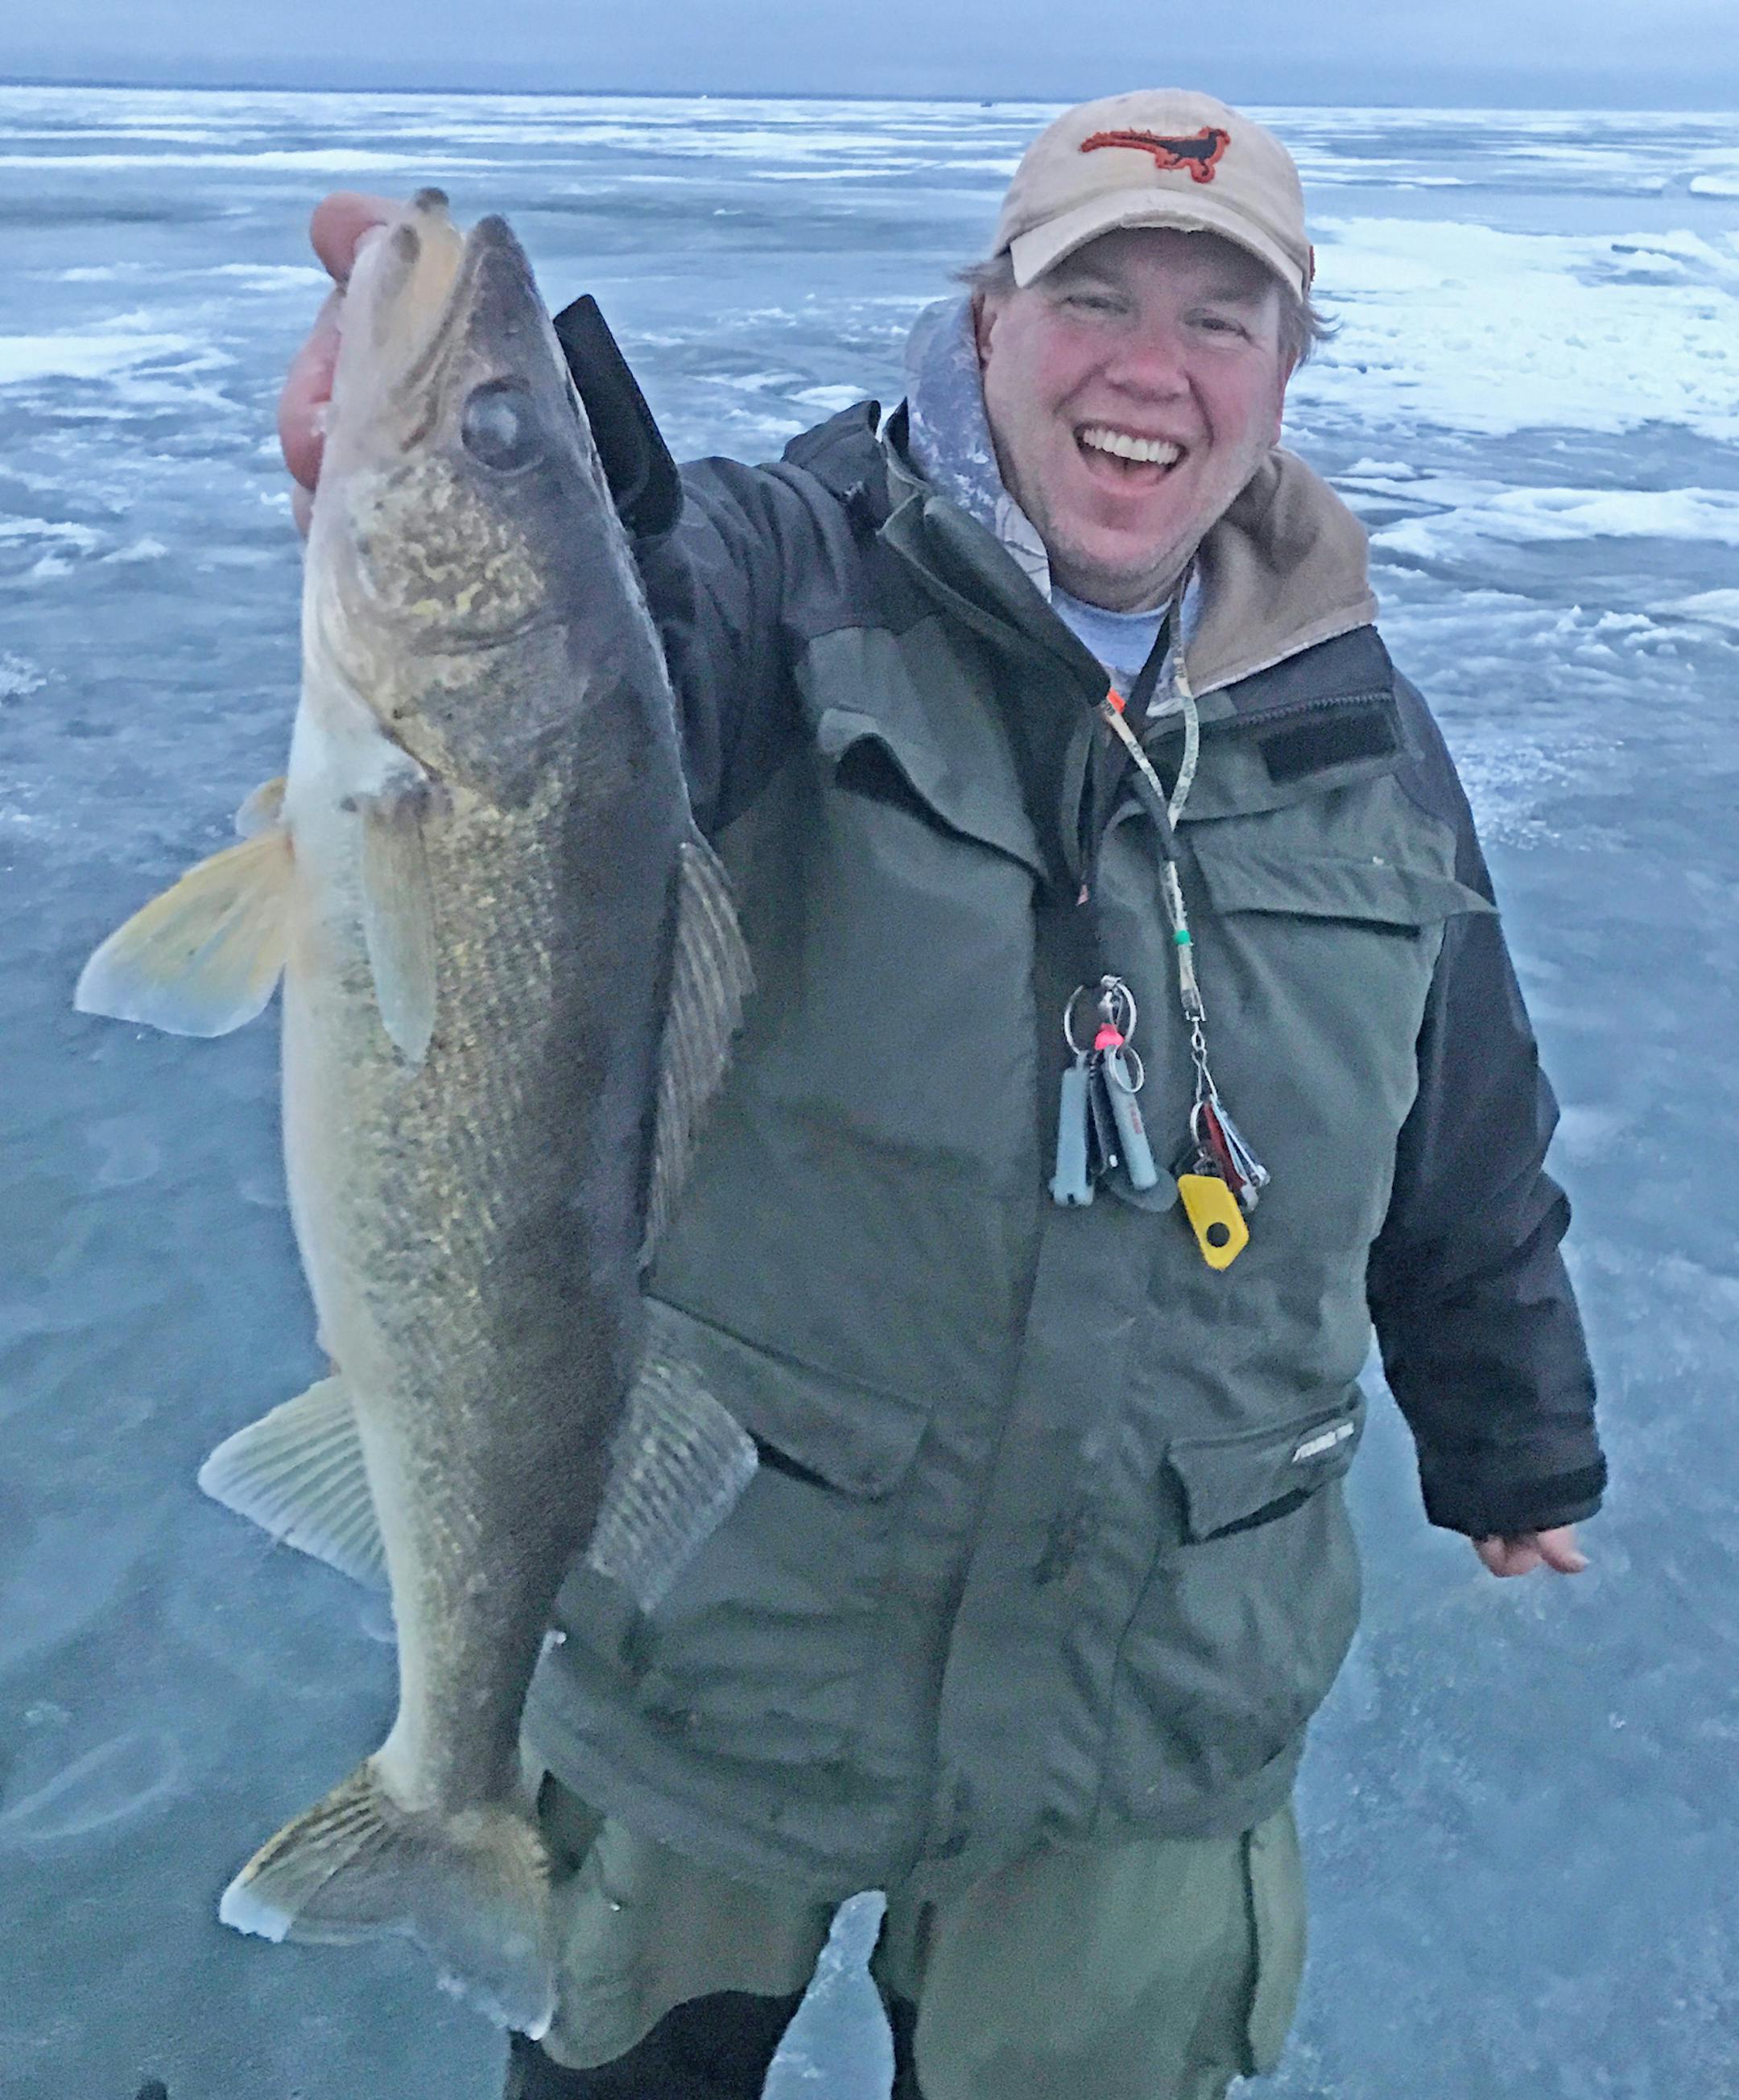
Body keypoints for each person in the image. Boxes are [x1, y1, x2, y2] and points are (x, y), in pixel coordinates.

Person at [279, 90, 1604, 2100]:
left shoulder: (1363, 732)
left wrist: (1513, 1432)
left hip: (1149, 1696)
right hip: (743, 1654)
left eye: (1221, 318)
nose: (1150, 369)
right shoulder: (795, 580)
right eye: (1093, 295)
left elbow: (1459, 1112)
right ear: (985, 317)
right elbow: (625, 626)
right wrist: (490, 462)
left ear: (1286, 372)